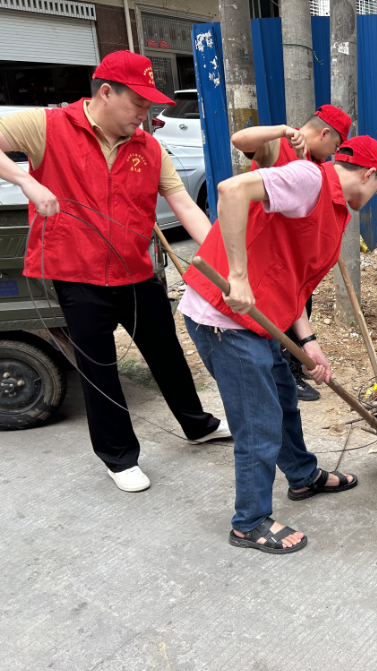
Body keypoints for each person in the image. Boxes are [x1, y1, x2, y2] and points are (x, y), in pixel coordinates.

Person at [0, 51, 229, 493]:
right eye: (138, 103)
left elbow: (184, 205)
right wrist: (26, 180)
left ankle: (197, 424)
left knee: (167, 353)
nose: (145, 114)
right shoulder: (48, 126)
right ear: (105, 92)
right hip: (78, 277)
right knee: (99, 368)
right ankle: (119, 456)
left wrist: (223, 259)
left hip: (136, 272)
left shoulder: (149, 148)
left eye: (150, 105)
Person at [178, 135, 377, 553]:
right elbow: (231, 190)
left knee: (283, 401)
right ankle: (249, 522)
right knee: (258, 423)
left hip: (262, 321)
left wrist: (309, 341)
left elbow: (292, 277)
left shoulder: (334, 208)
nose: (376, 195)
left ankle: (302, 476)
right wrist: (237, 275)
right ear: (369, 174)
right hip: (225, 320)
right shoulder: (308, 179)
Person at [230, 105, 353, 401]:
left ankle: (292, 370)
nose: (332, 155)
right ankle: (286, 373)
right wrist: (283, 131)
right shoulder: (280, 145)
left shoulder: (316, 163)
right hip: (264, 255)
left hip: (292, 260)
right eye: (335, 146)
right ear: (324, 133)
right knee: (274, 322)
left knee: (300, 309)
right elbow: (239, 139)